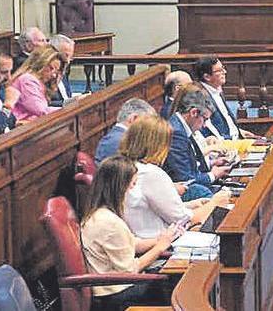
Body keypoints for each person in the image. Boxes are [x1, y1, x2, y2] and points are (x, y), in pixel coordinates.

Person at [79, 156, 178, 308]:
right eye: (132, 185)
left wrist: (162, 239)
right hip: (117, 294)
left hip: (119, 287)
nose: (133, 190)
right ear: (119, 186)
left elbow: (132, 243)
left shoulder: (101, 213)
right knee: (176, 283)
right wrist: (159, 248)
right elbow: (130, 270)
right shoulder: (109, 223)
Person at [118, 115, 224, 238]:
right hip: (161, 244)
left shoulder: (124, 167)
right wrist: (216, 203)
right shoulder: (151, 173)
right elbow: (183, 220)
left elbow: (149, 209)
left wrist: (190, 204)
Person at [165, 86, 233, 198]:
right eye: (205, 119)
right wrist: (213, 175)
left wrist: (211, 164)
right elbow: (186, 179)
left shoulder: (181, 126)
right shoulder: (176, 133)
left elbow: (190, 163)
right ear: (193, 113)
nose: (205, 125)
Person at [194, 57, 249, 140]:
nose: (225, 72)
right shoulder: (200, 96)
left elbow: (226, 119)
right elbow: (207, 130)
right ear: (207, 77)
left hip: (236, 139)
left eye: (223, 68)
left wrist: (238, 131)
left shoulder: (216, 90)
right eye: (219, 71)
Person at [10, 46, 64, 122]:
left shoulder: (39, 82)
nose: (54, 75)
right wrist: (66, 109)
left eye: (56, 71)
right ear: (40, 63)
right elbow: (40, 110)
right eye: (51, 68)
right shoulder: (27, 80)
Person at [96, 99, 157, 164]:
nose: (148, 129)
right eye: (147, 123)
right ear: (134, 118)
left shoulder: (119, 138)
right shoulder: (116, 141)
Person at [48, 34, 77, 106]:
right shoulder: (45, 73)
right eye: (66, 55)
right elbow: (41, 104)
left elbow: (67, 96)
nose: (68, 61)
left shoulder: (63, 69)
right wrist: (67, 103)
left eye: (71, 57)